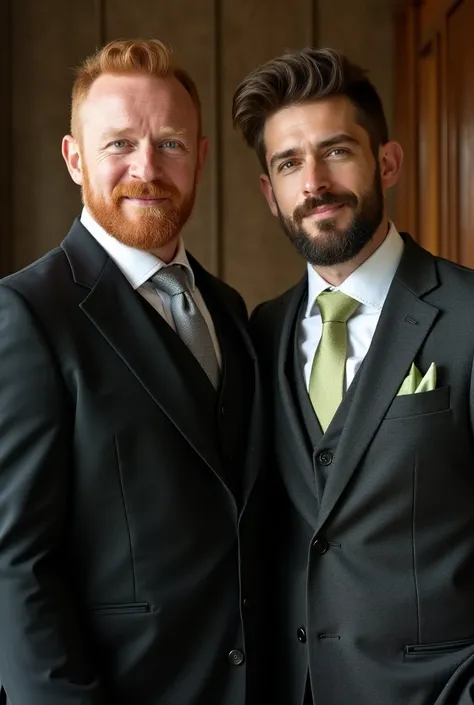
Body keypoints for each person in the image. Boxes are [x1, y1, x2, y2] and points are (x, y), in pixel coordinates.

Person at [0, 38, 264, 705]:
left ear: (200, 157)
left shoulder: (229, 310)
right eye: (119, 144)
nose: (147, 168)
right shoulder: (28, 314)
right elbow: (14, 566)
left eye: (171, 143)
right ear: (74, 156)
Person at [233, 46, 474, 705]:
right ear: (270, 193)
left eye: (336, 150)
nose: (313, 181)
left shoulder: (468, 317)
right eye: (288, 163)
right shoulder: (261, 331)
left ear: (386, 162)